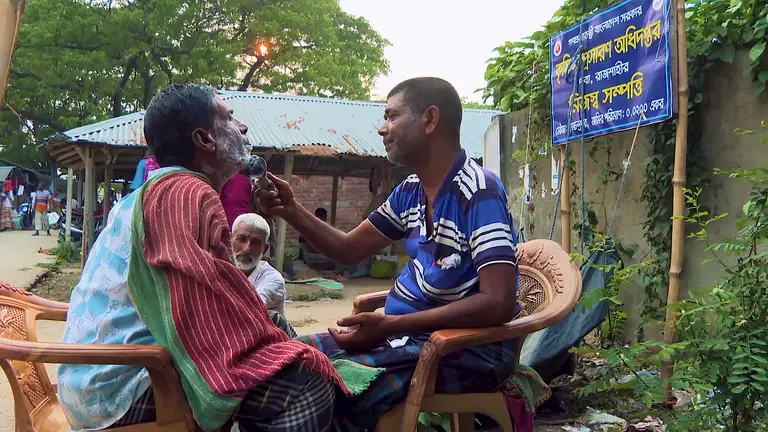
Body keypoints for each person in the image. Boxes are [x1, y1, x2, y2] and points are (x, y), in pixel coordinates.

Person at [58, 84, 345, 432]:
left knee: (274, 345)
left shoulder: (153, 192)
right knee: (307, 383)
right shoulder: (188, 191)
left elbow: (206, 294)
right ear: (205, 140)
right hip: (123, 387)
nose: (242, 128)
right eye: (229, 118)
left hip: (91, 384)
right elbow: (199, 308)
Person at [257, 77, 520, 430]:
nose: (382, 129)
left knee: (321, 389)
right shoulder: (409, 192)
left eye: (392, 116)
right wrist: (290, 210)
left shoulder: (479, 190)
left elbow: (499, 301)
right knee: (283, 358)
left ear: (429, 120)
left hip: (463, 350)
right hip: (406, 338)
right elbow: (348, 249)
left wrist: (392, 325)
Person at [232, 212, 289, 318]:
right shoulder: (220, 270)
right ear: (229, 240)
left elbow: (252, 307)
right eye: (241, 239)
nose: (247, 249)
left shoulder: (273, 279)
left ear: (265, 249)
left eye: (256, 243)